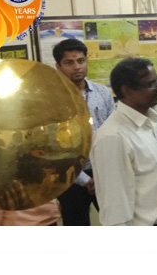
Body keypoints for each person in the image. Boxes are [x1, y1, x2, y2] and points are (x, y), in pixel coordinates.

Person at [89, 58, 157, 226]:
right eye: (150, 84)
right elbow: (115, 211)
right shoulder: (113, 137)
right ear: (127, 91)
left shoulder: (152, 120)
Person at [52, 39, 115, 226]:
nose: (77, 67)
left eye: (81, 61)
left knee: (116, 222)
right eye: (69, 63)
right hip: (70, 177)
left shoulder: (102, 93)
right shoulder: (51, 100)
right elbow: (54, 149)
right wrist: (86, 181)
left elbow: (114, 134)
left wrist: (103, 174)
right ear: (58, 66)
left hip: (104, 172)